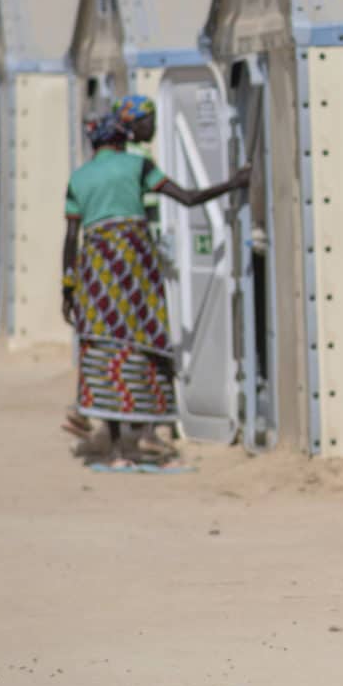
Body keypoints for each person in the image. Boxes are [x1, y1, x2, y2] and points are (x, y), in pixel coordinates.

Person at [60, 94, 248, 465]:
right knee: (144, 342)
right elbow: (190, 199)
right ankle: (146, 433)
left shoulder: (78, 179)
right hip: (135, 268)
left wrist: (67, 288)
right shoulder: (138, 166)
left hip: (96, 271)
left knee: (104, 348)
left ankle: (115, 448)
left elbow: (70, 240)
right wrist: (235, 182)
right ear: (118, 134)